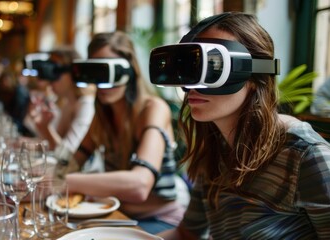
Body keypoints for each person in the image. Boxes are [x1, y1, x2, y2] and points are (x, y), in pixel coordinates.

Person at [147, 12, 330, 239]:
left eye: (212, 67)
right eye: (191, 69)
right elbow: (187, 233)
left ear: (254, 77)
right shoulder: (214, 150)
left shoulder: (305, 155)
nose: (191, 85)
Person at [62, 31, 188, 234]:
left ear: (130, 70)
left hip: (160, 219)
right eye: (97, 71)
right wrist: (44, 173)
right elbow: (71, 162)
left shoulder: (153, 108)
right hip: (119, 216)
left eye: (110, 70)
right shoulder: (103, 113)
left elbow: (140, 185)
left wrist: (62, 182)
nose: (104, 82)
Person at [23, 47, 96, 157]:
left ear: (74, 73)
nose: (50, 80)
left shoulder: (86, 104)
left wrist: (45, 129)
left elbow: (68, 154)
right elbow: (51, 144)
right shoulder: (63, 102)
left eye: (55, 72)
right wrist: (38, 122)